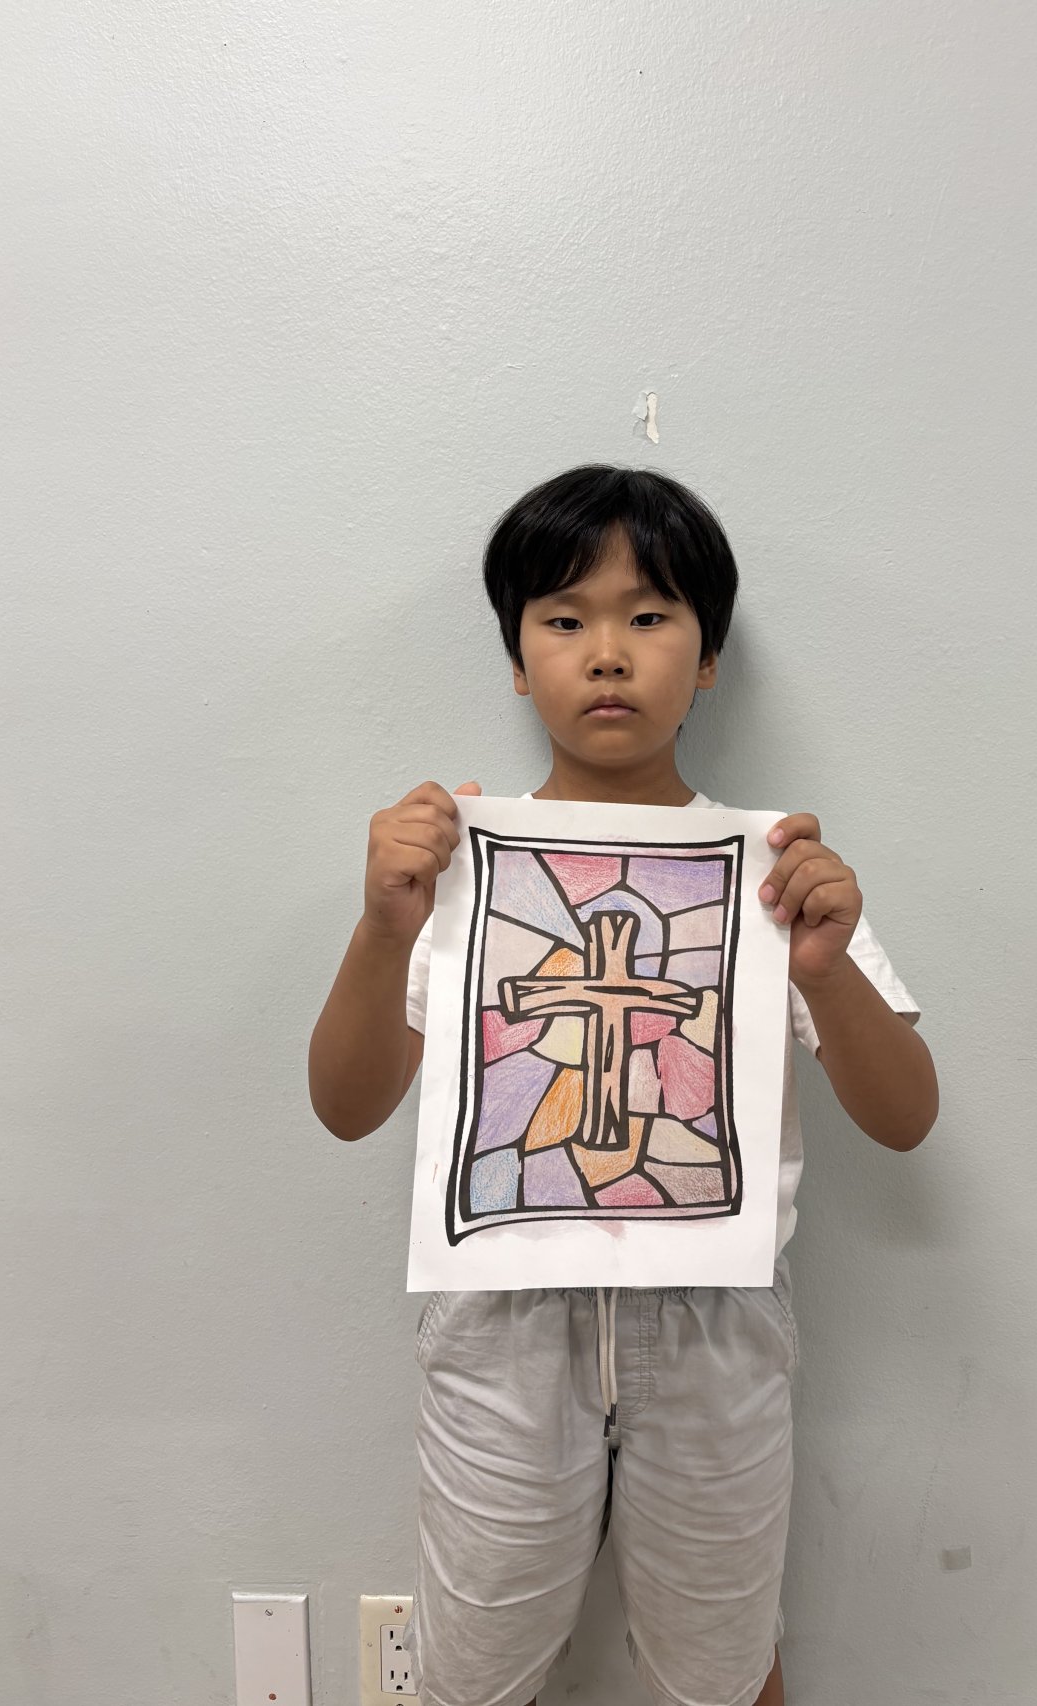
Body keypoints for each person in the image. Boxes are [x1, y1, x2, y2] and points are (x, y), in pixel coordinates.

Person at [308, 465, 939, 1706]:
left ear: (707, 659)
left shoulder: (774, 874)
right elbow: (345, 1103)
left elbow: (904, 1115)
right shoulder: (458, 875)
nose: (607, 651)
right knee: (471, 1667)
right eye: (563, 618)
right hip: (502, 1317)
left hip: (715, 1320)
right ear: (515, 658)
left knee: (722, 1664)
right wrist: (385, 927)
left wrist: (822, 968)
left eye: (649, 616)